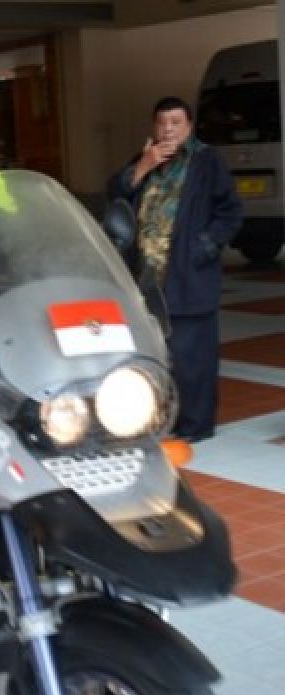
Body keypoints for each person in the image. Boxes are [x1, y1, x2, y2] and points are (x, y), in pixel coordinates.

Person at [108, 96, 243, 443]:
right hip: (146, 277)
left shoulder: (206, 161)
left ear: (189, 126)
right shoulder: (147, 158)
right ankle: (159, 416)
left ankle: (196, 424)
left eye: (176, 122)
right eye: (162, 122)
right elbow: (116, 194)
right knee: (153, 349)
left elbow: (230, 211)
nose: (168, 129)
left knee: (192, 354)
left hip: (188, 272)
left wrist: (206, 246)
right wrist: (143, 166)